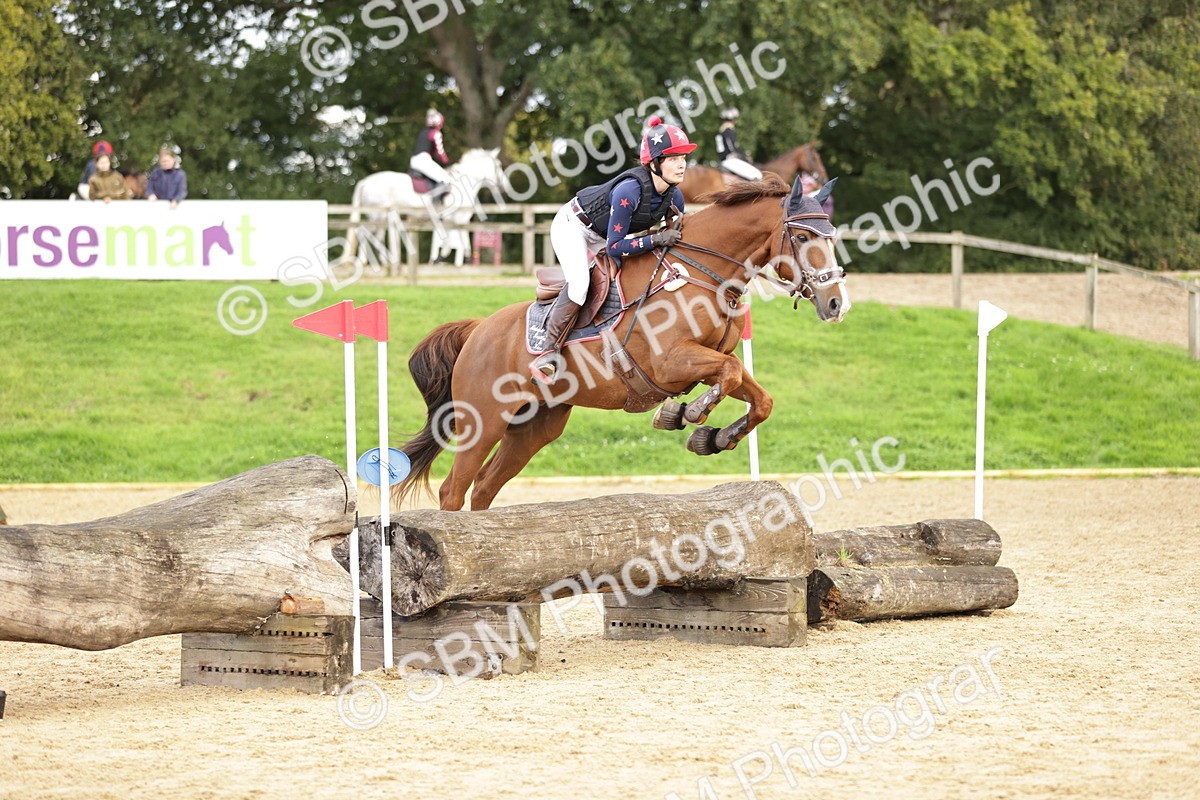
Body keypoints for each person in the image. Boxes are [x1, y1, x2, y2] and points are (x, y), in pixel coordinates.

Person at [529, 115, 696, 384]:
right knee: (581, 284)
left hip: (604, 234)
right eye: (673, 158)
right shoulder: (629, 191)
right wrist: (654, 240)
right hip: (574, 226)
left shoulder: (675, 196)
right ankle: (548, 352)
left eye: (683, 157)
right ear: (654, 162)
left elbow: (672, 241)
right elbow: (616, 247)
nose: (682, 164)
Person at [714, 108, 762, 182]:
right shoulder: (728, 131)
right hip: (730, 160)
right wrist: (744, 157)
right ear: (733, 120)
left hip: (723, 160)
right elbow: (732, 148)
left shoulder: (720, 132)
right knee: (757, 175)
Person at [410, 109, 452, 191]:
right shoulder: (436, 133)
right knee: (446, 179)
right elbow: (440, 152)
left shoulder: (423, 132)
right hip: (424, 161)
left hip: (414, 160)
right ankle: (435, 201)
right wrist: (446, 163)